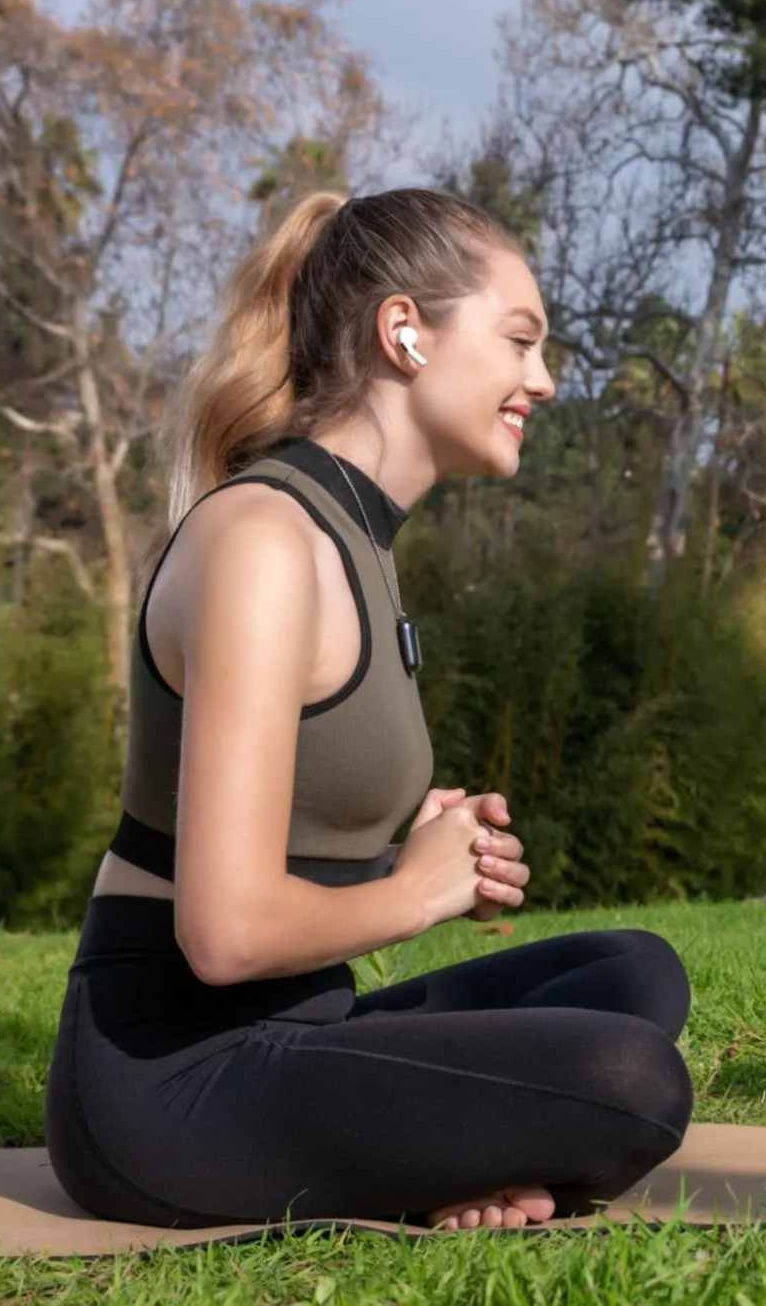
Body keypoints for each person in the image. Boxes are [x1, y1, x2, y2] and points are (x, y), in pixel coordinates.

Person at [44, 189, 694, 1232]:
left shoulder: (355, 537)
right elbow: (222, 936)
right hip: (166, 1089)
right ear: (405, 333)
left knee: (630, 971)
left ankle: (470, 1162)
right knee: (629, 1076)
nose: (544, 378)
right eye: (520, 340)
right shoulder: (265, 539)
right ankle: (475, 1165)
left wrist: (414, 844)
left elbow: (293, 813)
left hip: (303, 1027)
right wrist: (414, 892)